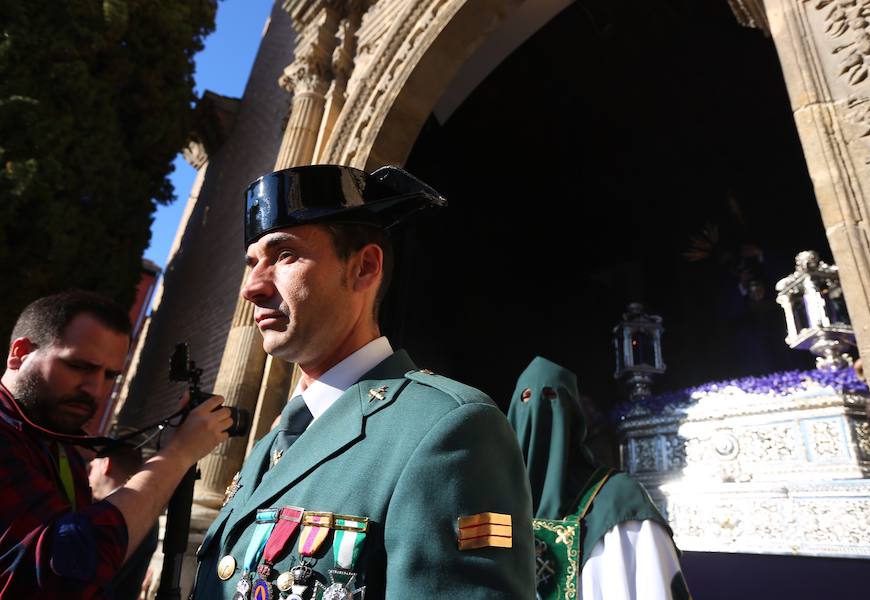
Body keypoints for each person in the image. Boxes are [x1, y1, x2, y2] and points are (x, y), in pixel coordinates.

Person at [193, 165, 535, 599]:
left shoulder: (449, 429)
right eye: (252, 263)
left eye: (285, 256)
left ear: (364, 268)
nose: (252, 287)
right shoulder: (275, 440)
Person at [0, 290, 233, 598]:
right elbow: (60, 571)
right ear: (20, 353)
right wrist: (177, 455)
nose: (95, 388)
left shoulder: (56, 442)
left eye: (110, 375)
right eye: (79, 366)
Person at [507, 356, 690, 600]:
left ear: (574, 414)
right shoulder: (495, 500)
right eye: (526, 398)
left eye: (552, 397)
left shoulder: (619, 500)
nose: (539, 409)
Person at [88, 445, 160, 600]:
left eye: (92, 468)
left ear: (106, 464)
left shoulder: (123, 513)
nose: (88, 477)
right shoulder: (144, 512)